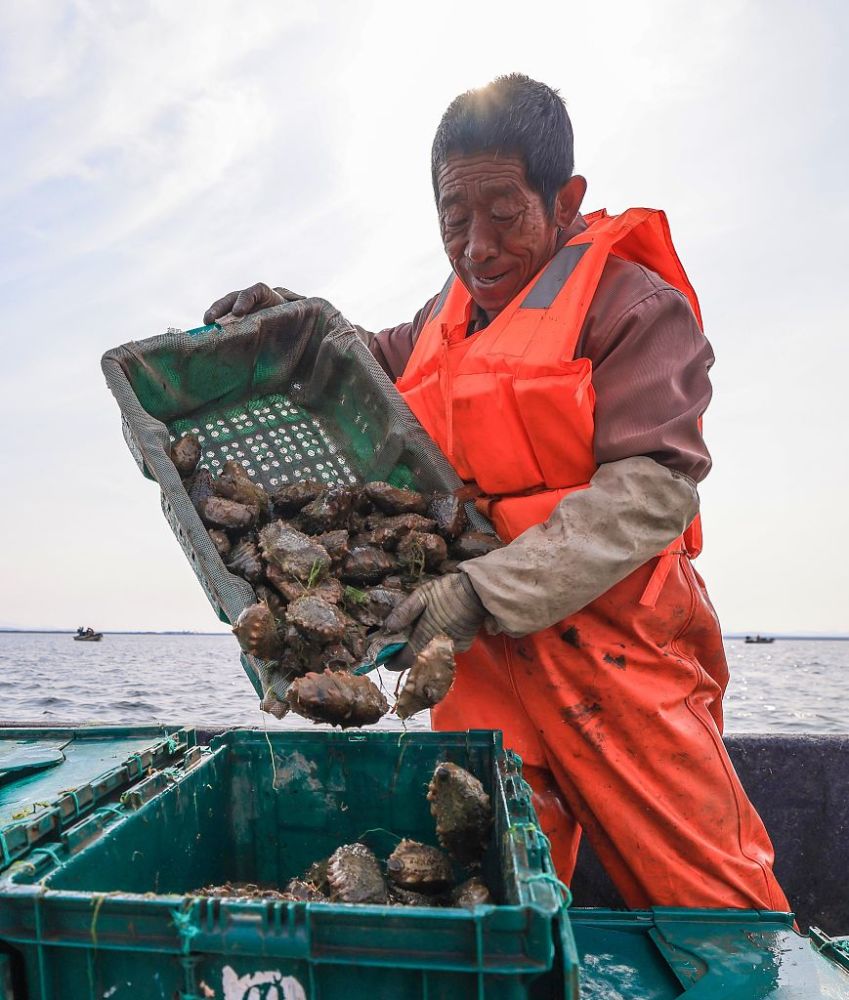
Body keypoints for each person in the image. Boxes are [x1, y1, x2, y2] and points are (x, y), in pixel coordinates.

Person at [204, 74, 789, 912]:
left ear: (564, 200)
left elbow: (656, 490)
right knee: (492, 899)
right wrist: (294, 315)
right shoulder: (447, 311)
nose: (476, 246)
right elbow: (367, 364)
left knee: (711, 903)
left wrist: (484, 588)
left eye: (504, 215)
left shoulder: (631, 306)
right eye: (453, 220)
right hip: (470, 661)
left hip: (613, 656)